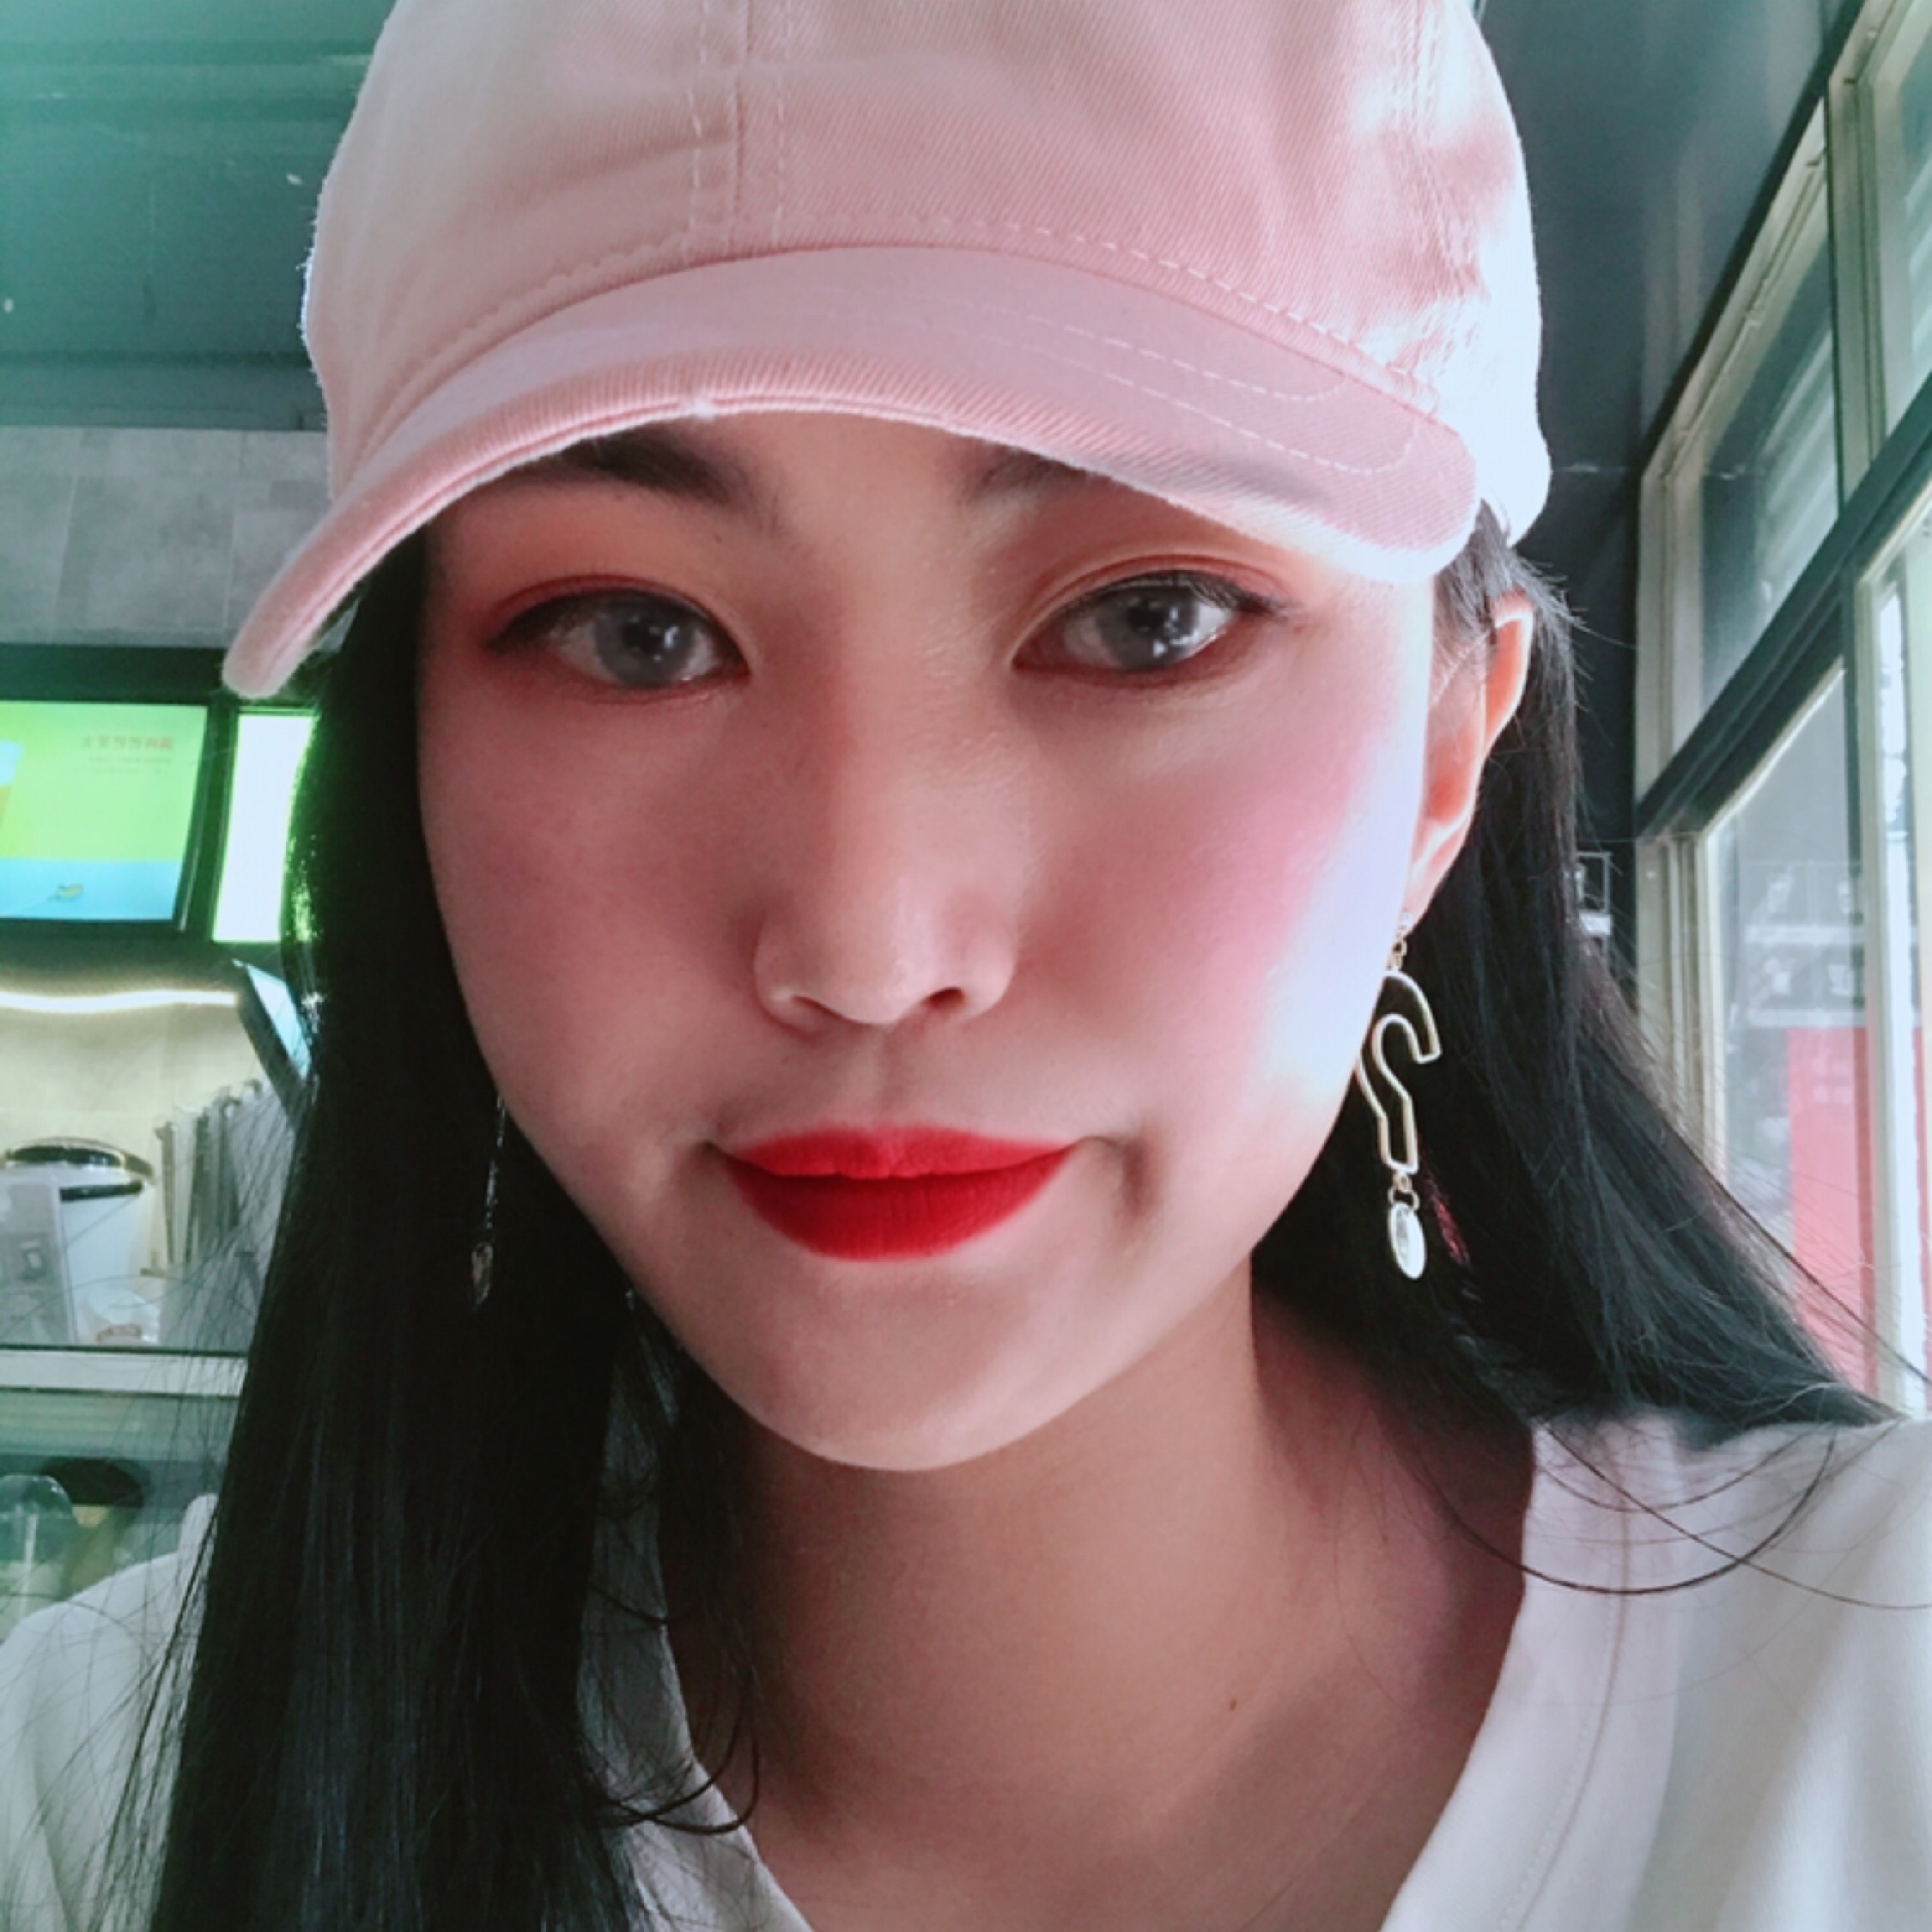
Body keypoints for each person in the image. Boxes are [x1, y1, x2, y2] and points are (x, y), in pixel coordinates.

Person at [2, 0, 1926, 1928]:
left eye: (1146, 618)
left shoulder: (1871, 1709)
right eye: (636, 634)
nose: (866, 944)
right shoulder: (87, 1804)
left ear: (1445, 758)